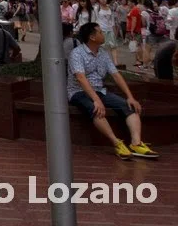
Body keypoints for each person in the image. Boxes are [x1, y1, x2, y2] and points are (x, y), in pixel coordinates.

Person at [67, 22, 158, 159]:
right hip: (79, 92)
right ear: (92, 37)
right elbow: (81, 78)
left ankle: (136, 143)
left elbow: (116, 75)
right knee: (95, 109)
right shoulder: (77, 54)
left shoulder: (103, 53)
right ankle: (116, 143)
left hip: (100, 91)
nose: (103, 34)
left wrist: (130, 97)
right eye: (100, 32)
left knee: (128, 106)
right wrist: (96, 101)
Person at [96, 0, 119, 65]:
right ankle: (103, 62)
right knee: (102, 47)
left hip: (110, 30)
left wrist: (114, 30)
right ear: (99, 0)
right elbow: (95, 19)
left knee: (113, 46)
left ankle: (115, 62)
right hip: (101, 30)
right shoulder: (97, 8)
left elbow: (112, 20)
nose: (103, 0)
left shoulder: (110, 8)